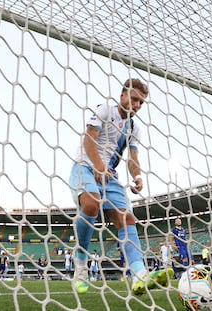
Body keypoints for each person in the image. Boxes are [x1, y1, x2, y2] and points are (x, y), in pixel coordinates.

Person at [69, 78, 173, 295]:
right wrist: (98, 166)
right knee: (91, 204)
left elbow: (133, 158)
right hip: (85, 167)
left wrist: (137, 176)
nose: (136, 105)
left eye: (141, 103)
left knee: (127, 218)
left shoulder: (134, 127)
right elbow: (89, 139)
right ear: (122, 95)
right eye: (134, 99)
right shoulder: (104, 110)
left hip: (110, 175)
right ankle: (80, 265)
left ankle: (139, 275)